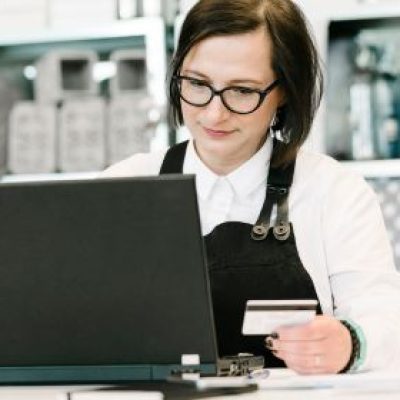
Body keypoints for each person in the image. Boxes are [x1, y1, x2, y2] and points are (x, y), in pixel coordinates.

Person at [102, 0, 400, 374]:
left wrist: (351, 342)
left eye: (242, 91)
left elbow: (386, 318)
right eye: (196, 84)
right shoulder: (124, 186)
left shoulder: (334, 192)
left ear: (285, 91)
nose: (214, 113)